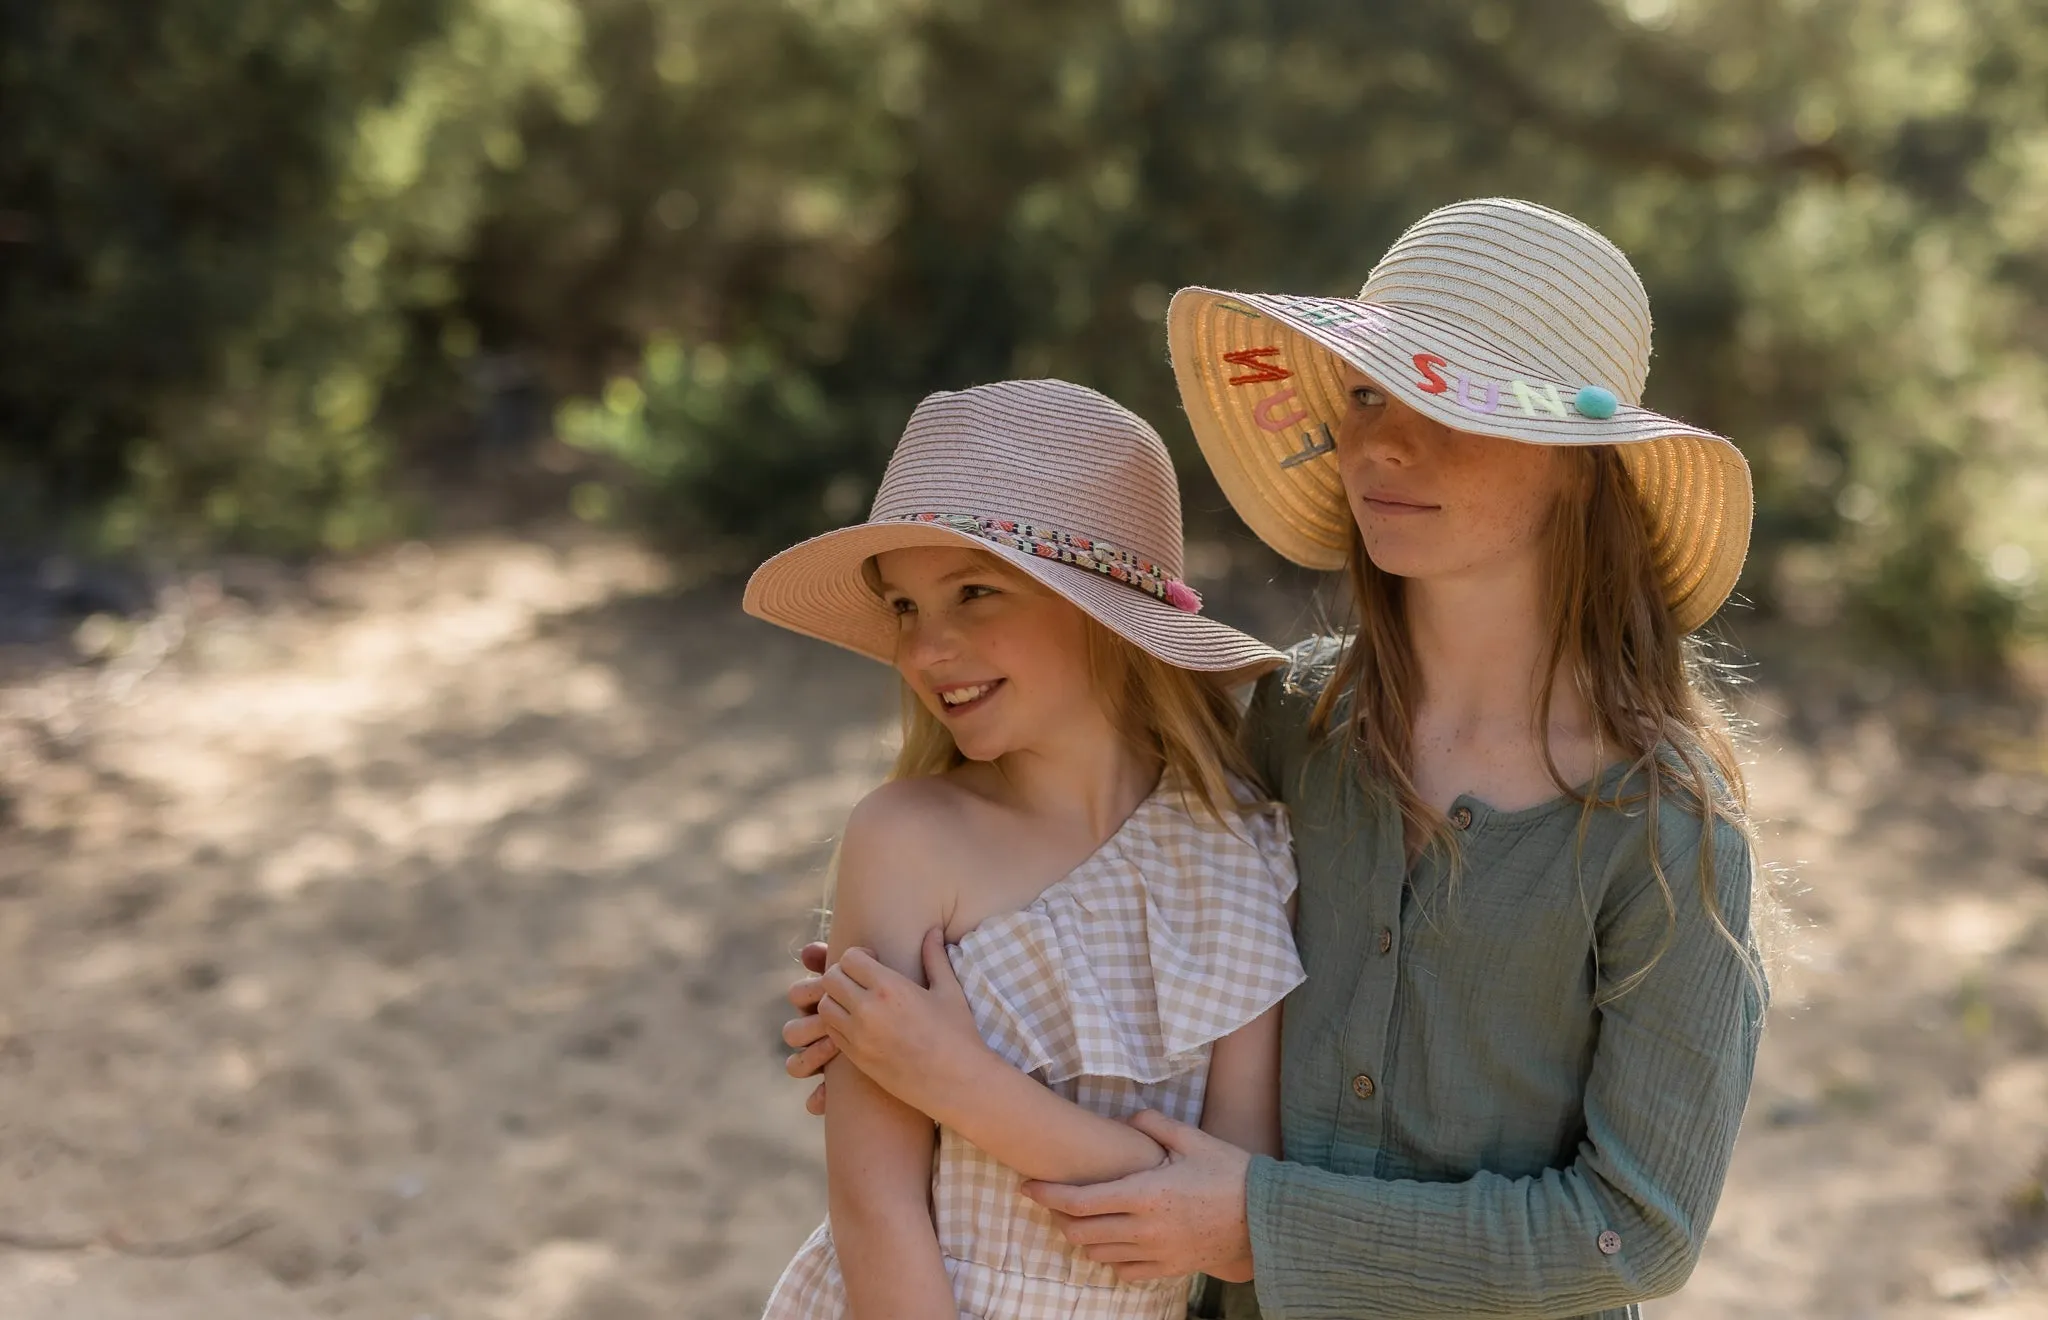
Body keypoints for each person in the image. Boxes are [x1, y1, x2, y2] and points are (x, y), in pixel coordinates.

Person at [781, 198, 1772, 1320]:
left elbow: (1633, 1233)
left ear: (1581, 467)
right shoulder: (1278, 727)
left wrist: (1259, 1220)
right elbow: (1073, 882)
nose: (1381, 440)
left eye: (1448, 399)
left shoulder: (1664, 833)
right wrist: (875, 1015)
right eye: (1362, 391)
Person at [745, 378, 1307, 1320]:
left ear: (1103, 611)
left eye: (975, 591)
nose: (929, 650)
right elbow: (875, 1205)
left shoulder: (1242, 851)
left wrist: (956, 1083)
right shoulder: (906, 838)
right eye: (906, 609)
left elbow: (1232, 1219)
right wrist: (1159, 1180)